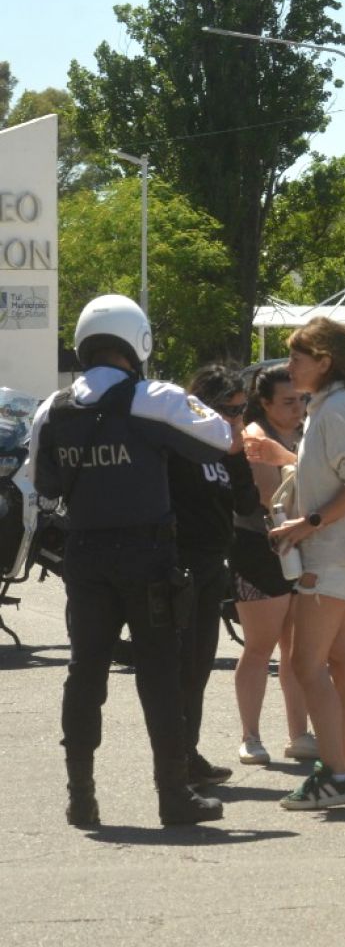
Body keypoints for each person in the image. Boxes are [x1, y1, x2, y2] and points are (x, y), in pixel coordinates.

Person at [25, 294, 230, 826]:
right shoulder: (153, 398)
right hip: (147, 556)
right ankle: (173, 796)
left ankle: (81, 797)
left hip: (85, 557)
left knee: (84, 673)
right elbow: (219, 438)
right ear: (138, 341)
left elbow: (45, 482)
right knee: (160, 674)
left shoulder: (52, 409)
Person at [262, 319, 345, 810]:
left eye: (297, 358)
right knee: (342, 664)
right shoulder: (339, 403)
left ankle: (338, 774)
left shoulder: (337, 408)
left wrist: (307, 523)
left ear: (324, 361)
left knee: (305, 664)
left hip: (335, 553)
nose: (289, 366)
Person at [165, 364, 260, 792]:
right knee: (182, 667)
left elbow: (247, 503)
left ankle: (189, 754)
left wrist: (237, 454)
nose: (237, 418)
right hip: (181, 568)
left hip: (211, 567)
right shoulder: (180, 447)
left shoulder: (226, 449)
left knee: (200, 665)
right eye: (229, 409)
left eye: (242, 410)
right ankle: (176, 760)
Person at [227, 364, 314, 764]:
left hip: (301, 546)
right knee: (260, 647)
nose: (298, 409)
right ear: (264, 403)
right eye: (288, 402)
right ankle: (251, 736)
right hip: (259, 549)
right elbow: (271, 495)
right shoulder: (255, 438)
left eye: (302, 400)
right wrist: (300, 465)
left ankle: (300, 733)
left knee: (298, 648)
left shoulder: (302, 434)